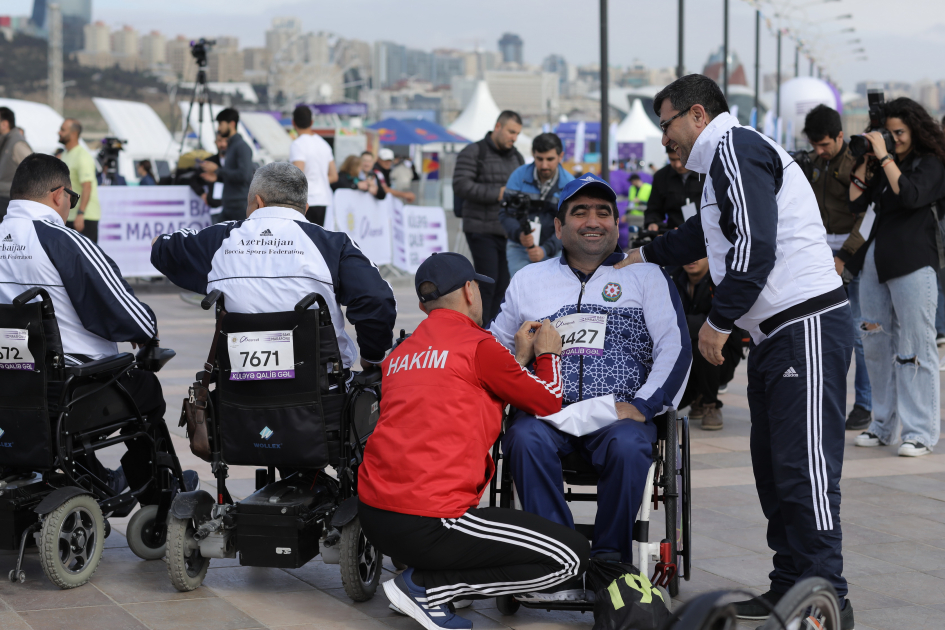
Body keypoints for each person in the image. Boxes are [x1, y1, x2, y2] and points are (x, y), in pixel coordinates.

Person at [619, 75, 854, 628]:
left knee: (805, 471)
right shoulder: (717, 168)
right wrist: (643, 255)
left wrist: (718, 323)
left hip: (806, 325)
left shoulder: (736, 147)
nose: (663, 139)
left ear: (697, 114)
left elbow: (755, 247)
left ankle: (828, 599)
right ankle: (789, 587)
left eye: (667, 124)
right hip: (776, 336)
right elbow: (703, 235)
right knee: (774, 470)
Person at [358, 252, 589, 628]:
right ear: (469, 290)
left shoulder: (401, 353)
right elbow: (548, 398)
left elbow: (460, 391)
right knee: (571, 557)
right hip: (430, 522)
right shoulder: (479, 345)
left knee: (502, 538)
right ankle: (425, 588)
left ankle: (427, 583)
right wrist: (547, 355)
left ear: (422, 305)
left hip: (375, 515)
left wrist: (515, 359)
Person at [491, 174, 690, 596]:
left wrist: (643, 405)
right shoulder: (530, 279)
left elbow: (676, 348)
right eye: (579, 212)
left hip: (618, 414)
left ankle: (607, 564)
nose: (592, 221)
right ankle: (560, 559)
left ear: (618, 225)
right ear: (559, 228)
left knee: (629, 445)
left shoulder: (647, 275)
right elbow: (491, 349)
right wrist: (521, 357)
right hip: (548, 411)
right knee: (522, 439)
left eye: (603, 212)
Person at [0, 153, 197, 497]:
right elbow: (126, 311)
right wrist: (146, 330)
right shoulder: (62, 241)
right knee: (144, 389)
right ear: (59, 195)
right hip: (64, 386)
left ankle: (98, 481)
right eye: (72, 199)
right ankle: (160, 494)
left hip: (9, 380)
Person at [151, 162, 397, 372]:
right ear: (305, 209)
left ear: (257, 202)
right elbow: (376, 298)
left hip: (239, 395)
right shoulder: (334, 244)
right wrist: (372, 357)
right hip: (324, 393)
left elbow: (160, 247)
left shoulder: (220, 240)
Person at [847, 97, 945, 458]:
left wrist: (886, 159)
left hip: (914, 263)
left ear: (915, 130)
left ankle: (920, 431)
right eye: (888, 134)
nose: (893, 139)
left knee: (915, 348)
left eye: (899, 133)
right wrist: (866, 158)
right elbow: (856, 200)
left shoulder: (930, 164)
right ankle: (882, 424)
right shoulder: (887, 167)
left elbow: (911, 195)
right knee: (874, 345)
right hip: (876, 262)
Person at [802, 105, 871, 431]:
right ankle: (816, 399)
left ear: (840, 136)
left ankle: (865, 404)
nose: (820, 151)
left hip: (851, 251)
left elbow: (867, 217)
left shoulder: (858, 164)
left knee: (859, 332)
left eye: (825, 144)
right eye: (815, 145)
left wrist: (844, 256)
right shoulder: (814, 163)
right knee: (819, 332)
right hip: (818, 250)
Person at [453, 111, 525, 324]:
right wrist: (497, 193)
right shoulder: (474, 151)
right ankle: (478, 331)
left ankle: (492, 332)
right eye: (511, 131)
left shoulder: (517, 156)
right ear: (498, 127)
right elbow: (461, 185)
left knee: (504, 286)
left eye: (517, 134)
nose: (514, 137)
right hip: (481, 228)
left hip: (507, 231)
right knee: (487, 283)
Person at [672, 257, 742, 430]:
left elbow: (719, 321)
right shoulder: (672, 278)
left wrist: (678, 323)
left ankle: (710, 405)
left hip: (720, 357)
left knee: (704, 344)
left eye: (699, 254)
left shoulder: (721, 280)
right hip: (680, 356)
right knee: (667, 410)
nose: (692, 259)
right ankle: (697, 396)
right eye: (688, 253)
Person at [499, 132, 575, 277]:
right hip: (519, 247)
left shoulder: (570, 185)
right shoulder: (518, 177)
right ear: (533, 154)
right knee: (521, 294)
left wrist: (545, 249)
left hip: (555, 248)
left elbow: (569, 226)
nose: (544, 165)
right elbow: (505, 213)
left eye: (550, 159)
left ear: (561, 156)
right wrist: (519, 234)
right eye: (539, 159)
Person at [200, 108, 254, 223]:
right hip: (229, 206)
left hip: (239, 207)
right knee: (218, 238)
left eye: (221, 124)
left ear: (232, 124)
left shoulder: (241, 147)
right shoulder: (232, 146)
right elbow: (235, 175)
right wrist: (218, 177)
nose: (219, 128)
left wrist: (218, 171)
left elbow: (244, 176)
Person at [289, 105, 338, 226]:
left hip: (306, 201)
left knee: (304, 241)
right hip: (324, 199)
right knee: (318, 241)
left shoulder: (298, 144)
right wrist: (317, 179)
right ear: (312, 122)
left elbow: (297, 175)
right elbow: (334, 176)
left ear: (293, 123)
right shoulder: (323, 144)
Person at [57, 119, 101, 242]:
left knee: (86, 259)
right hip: (71, 216)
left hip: (84, 217)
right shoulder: (66, 154)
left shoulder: (82, 156)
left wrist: (81, 213)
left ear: (74, 134)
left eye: (63, 130)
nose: (58, 132)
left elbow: (87, 186)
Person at [645, 146, 703, 231]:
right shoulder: (661, 177)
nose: (678, 165)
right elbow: (654, 208)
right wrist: (652, 222)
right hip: (673, 234)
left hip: (705, 234)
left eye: (681, 159)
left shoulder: (707, 173)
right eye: (672, 160)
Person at [0, 107, 32, 218]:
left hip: (8, 201)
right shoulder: (6, 140)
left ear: (4, 124)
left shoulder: (17, 143)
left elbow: (34, 170)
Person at [201, 133, 228, 219]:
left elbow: (240, 177)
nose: (223, 144)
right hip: (216, 208)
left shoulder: (236, 161)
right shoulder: (210, 162)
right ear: (215, 142)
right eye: (220, 141)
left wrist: (217, 174)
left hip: (234, 207)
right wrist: (201, 193)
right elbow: (195, 178)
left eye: (226, 141)